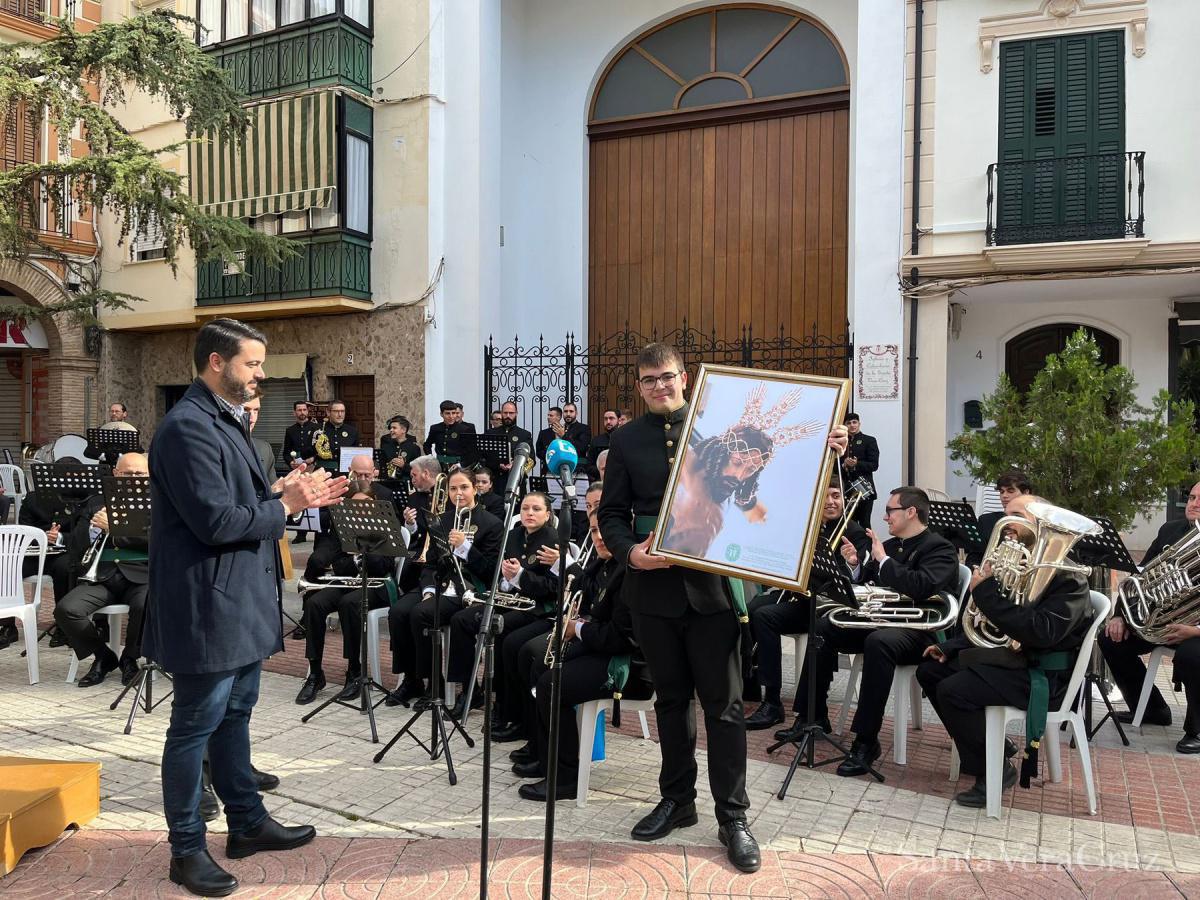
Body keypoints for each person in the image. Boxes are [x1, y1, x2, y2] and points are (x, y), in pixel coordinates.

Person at [598, 342, 848, 873]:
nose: (659, 387)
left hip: (712, 590)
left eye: (666, 377)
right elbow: (612, 513)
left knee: (726, 708)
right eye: (648, 381)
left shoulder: (718, 432)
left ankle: (733, 816)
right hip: (653, 593)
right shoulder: (625, 440)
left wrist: (828, 449)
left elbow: (771, 479)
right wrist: (630, 555)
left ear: (684, 377)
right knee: (670, 702)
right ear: (639, 387)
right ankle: (678, 800)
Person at [144, 318, 347, 897]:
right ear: (216, 363)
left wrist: (284, 492)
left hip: (240, 600)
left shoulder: (225, 421)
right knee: (193, 729)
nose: (261, 373)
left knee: (235, 715)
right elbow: (215, 523)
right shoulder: (187, 428)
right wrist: (286, 506)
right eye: (252, 364)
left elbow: (245, 503)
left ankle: (247, 822)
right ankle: (186, 850)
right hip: (207, 605)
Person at [917, 493, 1094, 805]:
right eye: (1006, 513)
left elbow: (1040, 632)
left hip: (1043, 676)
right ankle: (990, 749)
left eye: (1017, 515)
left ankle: (996, 769)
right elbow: (988, 621)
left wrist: (985, 591)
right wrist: (955, 647)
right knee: (931, 671)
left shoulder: (1070, 579)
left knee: (954, 691)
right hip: (1011, 661)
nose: (1006, 522)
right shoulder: (1013, 563)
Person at [782, 486, 958, 773]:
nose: (885, 517)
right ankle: (811, 716)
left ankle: (866, 740)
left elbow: (922, 586)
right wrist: (854, 566)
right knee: (824, 627)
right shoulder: (890, 545)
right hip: (882, 621)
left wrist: (883, 561)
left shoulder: (939, 548)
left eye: (890, 511)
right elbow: (870, 584)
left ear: (911, 512)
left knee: (879, 643)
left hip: (918, 630)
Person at [514, 517, 652, 801]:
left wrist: (576, 627)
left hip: (629, 666)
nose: (600, 537)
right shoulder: (604, 563)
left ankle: (565, 778)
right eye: (593, 530)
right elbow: (588, 600)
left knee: (553, 685)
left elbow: (619, 637)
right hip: (604, 650)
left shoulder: (630, 572)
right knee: (541, 662)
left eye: (606, 529)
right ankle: (546, 756)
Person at [743, 479, 869, 731]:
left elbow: (860, 578)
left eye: (836, 496)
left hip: (831, 607)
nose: (832, 502)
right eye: (826, 496)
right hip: (805, 601)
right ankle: (764, 692)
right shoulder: (807, 527)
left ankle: (791, 707)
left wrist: (851, 563)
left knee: (774, 617)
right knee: (756, 611)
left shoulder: (854, 531)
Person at [661, 383, 821, 559]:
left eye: (751, 470)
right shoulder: (687, 466)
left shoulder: (731, 496)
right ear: (723, 453)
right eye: (737, 462)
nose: (739, 476)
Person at [386, 467, 502, 706]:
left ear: (475, 489)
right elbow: (429, 563)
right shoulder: (441, 520)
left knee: (421, 614)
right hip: (439, 583)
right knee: (398, 611)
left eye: (464, 487)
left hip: (468, 588)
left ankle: (435, 684)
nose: (458, 493)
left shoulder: (491, 523)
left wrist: (465, 548)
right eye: (453, 488)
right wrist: (428, 590)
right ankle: (412, 679)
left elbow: (491, 571)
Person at [1100, 479, 1200, 754]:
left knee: (1192, 655)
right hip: (1165, 621)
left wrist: (1193, 631)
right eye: (1191, 497)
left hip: (1195, 630)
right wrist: (1121, 615)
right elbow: (1141, 576)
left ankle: (1197, 730)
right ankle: (1154, 710)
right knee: (1110, 639)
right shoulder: (1171, 530)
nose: (1194, 504)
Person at [448, 490, 560, 730]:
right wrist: (505, 578)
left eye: (536, 509)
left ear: (548, 514)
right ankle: (469, 689)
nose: (529, 513)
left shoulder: (552, 539)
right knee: (461, 620)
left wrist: (520, 576)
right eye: (526, 508)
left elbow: (552, 588)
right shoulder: (513, 535)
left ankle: (503, 704)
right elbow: (494, 570)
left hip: (534, 606)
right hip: (506, 598)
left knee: (500, 629)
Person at [53, 451, 152, 688]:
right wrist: (90, 531)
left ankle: (130, 657)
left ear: (149, 476)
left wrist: (116, 530)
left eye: (140, 474)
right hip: (103, 575)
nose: (133, 478)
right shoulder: (97, 502)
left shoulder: (159, 503)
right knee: (67, 610)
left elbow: (159, 540)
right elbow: (79, 542)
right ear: (116, 474)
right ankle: (103, 656)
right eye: (127, 473)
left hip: (142, 575)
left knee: (144, 604)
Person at [294, 481, 398, 705]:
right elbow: (333, 559)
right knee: (315, 604)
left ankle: (354, 671)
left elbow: (383, 566)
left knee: (350, 604)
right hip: (347, 583)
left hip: (378, 586)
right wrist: (347, 560)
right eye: (355, 506)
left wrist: (358, 555)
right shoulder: (342, 527)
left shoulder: (385, 525)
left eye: (366, 504)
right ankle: (315, 672)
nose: (362, 510)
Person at [967, 469, 1033, 567]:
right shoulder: (986, 521)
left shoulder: (1036, 523)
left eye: (1010, 491)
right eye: (1001, 492)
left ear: (1026, 493)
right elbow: (973, 559)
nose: (1004, 496)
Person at [840, 413, 879, 528]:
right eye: (849, 423)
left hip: (864, 488)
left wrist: (857, 464)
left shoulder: (869, 440)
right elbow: (833, 467)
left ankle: (868, 546)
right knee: (848, 523)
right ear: (844, 425)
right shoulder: (841, 443)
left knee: (865, 523)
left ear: (859, 423)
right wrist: (844, 465)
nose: (852, 425)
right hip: (846, 488)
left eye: (854, 422)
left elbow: (874, 465)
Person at [483, 401, 534, 479]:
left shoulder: (524, 435)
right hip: (495, 479)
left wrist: (516, 465)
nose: (508, 416)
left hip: (516, 479)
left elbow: (531, 459)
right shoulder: (490, 433)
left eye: (511, 413)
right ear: (501, 413)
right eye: (505, 413)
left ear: (516, 413)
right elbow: (483, 457)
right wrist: (498, 464)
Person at [424, 399, 478, 467]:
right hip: (439, 465)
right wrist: (431, 458)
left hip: (457, 466)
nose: (451, 416)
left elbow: (472, 452)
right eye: (447, 413)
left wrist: (460, 464)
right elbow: (427, 445)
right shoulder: (435, 428)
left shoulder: (465, 429)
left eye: (454, 413)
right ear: (441, 414)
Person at [313, 401, 360, 472]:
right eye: (336, 411)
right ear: (328, 412)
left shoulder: (352, 431)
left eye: (342, 411)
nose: (340, 414)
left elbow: (356, 454)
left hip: (345, 473)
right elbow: (307, 452)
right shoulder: (317, 429)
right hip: (322, 472)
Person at [379, 416, 421, 484]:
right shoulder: (386, 447)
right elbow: (381, 465)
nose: (391, 430)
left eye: (394, 428)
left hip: (406, 483)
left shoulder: (414, 448)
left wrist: (403, 466)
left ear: (403, 430)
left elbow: (417, 471)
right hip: (387, 483)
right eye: (391, 428)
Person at [244, 395, 275, 478]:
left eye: (256, 410)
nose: (252, 417)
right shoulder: (215, 446)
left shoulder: (265, 448)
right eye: (245, 409)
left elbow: (272, 486)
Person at [584, 408, 619, 480]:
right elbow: (589, 465)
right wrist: (602, 470)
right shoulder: (596, 440)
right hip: (600, 482)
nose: (608, 421)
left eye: (611, 418)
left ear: (618, 420)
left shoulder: (625, 439)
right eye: (605, 419)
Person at [535, 407, 565, 473]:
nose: (548, 417)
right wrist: (549, 453)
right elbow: (538, 452)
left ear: (559, 417)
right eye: (548, 415)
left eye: (551, 415)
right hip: (548, 467)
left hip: (565, 466)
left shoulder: (566, 431)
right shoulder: (543, 433)